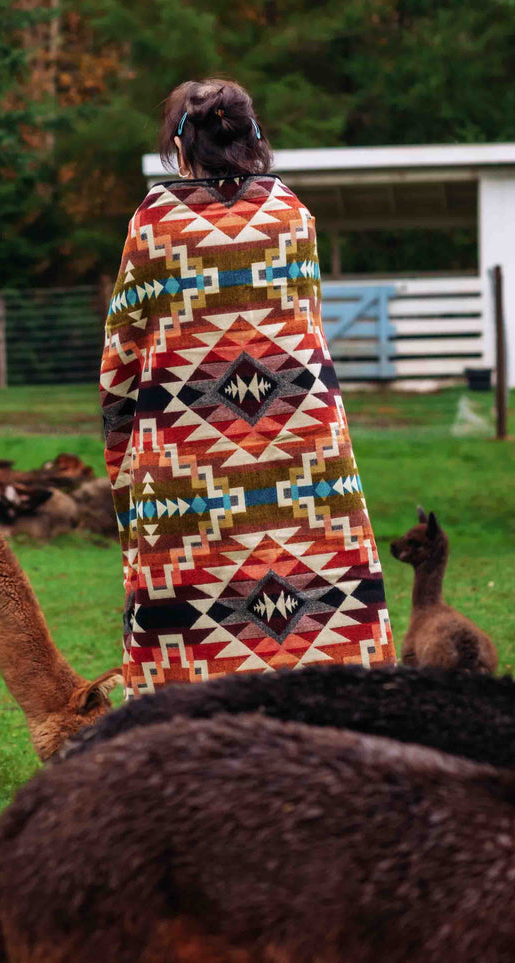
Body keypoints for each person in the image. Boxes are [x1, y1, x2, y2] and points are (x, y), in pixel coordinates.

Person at [100, 79, 395, 696]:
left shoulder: (156, 223)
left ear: (183, 144)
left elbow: (122, 356)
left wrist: (127, 464)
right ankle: (336, 718)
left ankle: (185, 734)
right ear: (254, 137)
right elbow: (305, 321)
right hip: (304, 453)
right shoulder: (292, 214)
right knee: (320, 596)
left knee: (189, 610)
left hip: (189, 465)